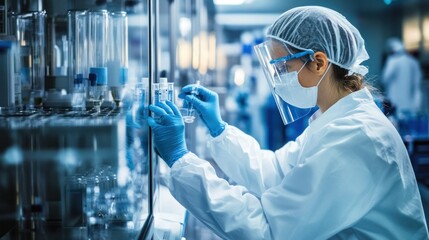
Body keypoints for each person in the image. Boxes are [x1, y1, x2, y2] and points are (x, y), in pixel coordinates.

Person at [148, 6, 429, 240]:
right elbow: (273, 173)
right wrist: (219, 130)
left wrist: (181, 160)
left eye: (283, 67)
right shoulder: (335, 121)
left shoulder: (357, 138)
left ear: (319, 62)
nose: (278, 78)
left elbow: (269, 232)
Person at [382, 37, 423, 119]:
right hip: (410, 101)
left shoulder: (392, 60)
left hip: (394, 99)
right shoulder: (413, 61)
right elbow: (418, 81)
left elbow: (384, 78)